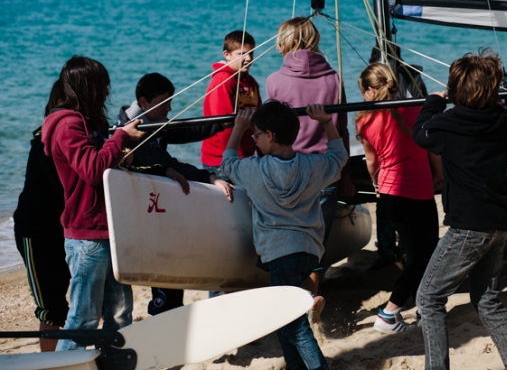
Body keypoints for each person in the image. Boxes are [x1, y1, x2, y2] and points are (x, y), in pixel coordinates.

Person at [412, 50, 507, 370]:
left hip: (468, 227)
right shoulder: (496, 118)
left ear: (457, 92)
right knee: (488, 301)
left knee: (428, 299)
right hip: (499, 223)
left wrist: (434, 102)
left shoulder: (451, 122)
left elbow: (420, 133)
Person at [220, 101, 347, 370]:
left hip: (279, 253)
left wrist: (238, 128)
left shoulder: (254, 170)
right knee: (285, 320)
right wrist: (326, 122)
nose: (254, 141)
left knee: (295, 326)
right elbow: (339, 157)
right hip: (309, 252)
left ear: (270, 135)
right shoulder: (312, 166)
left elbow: (227, 164)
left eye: (256, 136)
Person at [41, 56, 144, 351]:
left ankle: (113, 362)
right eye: (102, 86)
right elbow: (90, 169)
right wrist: (120, 136)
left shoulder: (86, 122)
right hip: (86, 234)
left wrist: (121, 154)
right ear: (87, 87)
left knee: (120, 314)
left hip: (109, 228)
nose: (106, 93)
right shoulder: (68, 125)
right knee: (83, 320)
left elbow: (100, 165)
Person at [117, 72, 234, 314]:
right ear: (144, 101)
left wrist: (219, 123)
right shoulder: (131, 132)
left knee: (169, 273)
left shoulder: (152, 120)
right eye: (164, 103)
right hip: (138, 217)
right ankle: (162, 317)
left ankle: (169, 312)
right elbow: (167, 163)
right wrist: (210, 177)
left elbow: (183, 131)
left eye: (171, 102)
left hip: (155, 209)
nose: (169, 108)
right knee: (161, 276)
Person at [265, 16, 355, 304]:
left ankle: (292, 302)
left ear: (285, 41)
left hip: (287, 172)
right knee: (316, 243)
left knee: (286, 241)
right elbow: (340, 130)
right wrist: (347, 174)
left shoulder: (274, 81)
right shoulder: (335, 78)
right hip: (325, 172)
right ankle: (310, 299)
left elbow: (271, 135)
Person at [355, 63, 439, 334]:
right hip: (417, 191)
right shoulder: (413, 107)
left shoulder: (363, 119)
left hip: (391, 193)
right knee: (424, 256)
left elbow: (371, 162)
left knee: (420, 254)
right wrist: (440, 173)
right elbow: (432, 145)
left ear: (369, 90)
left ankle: (425, 308)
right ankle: (389, 313)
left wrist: (376, 182)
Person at [13, 80, 70, 352]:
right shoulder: (44, 140)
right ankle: (49, 363)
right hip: (35, 232)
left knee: (72, 299)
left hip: (63, 228)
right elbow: (66, 186)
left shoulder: (78, 134)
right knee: (51, 307)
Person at [201, 30, 262, 177]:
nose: (248, 58)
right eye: (241, 54)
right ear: (226, 55)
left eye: (251, 53)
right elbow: (225, 125)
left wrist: (264, 155)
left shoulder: (251, 82)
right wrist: (237, 159)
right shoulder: (223, 80)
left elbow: (259, 122)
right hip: (221, 161)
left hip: (245, 158)